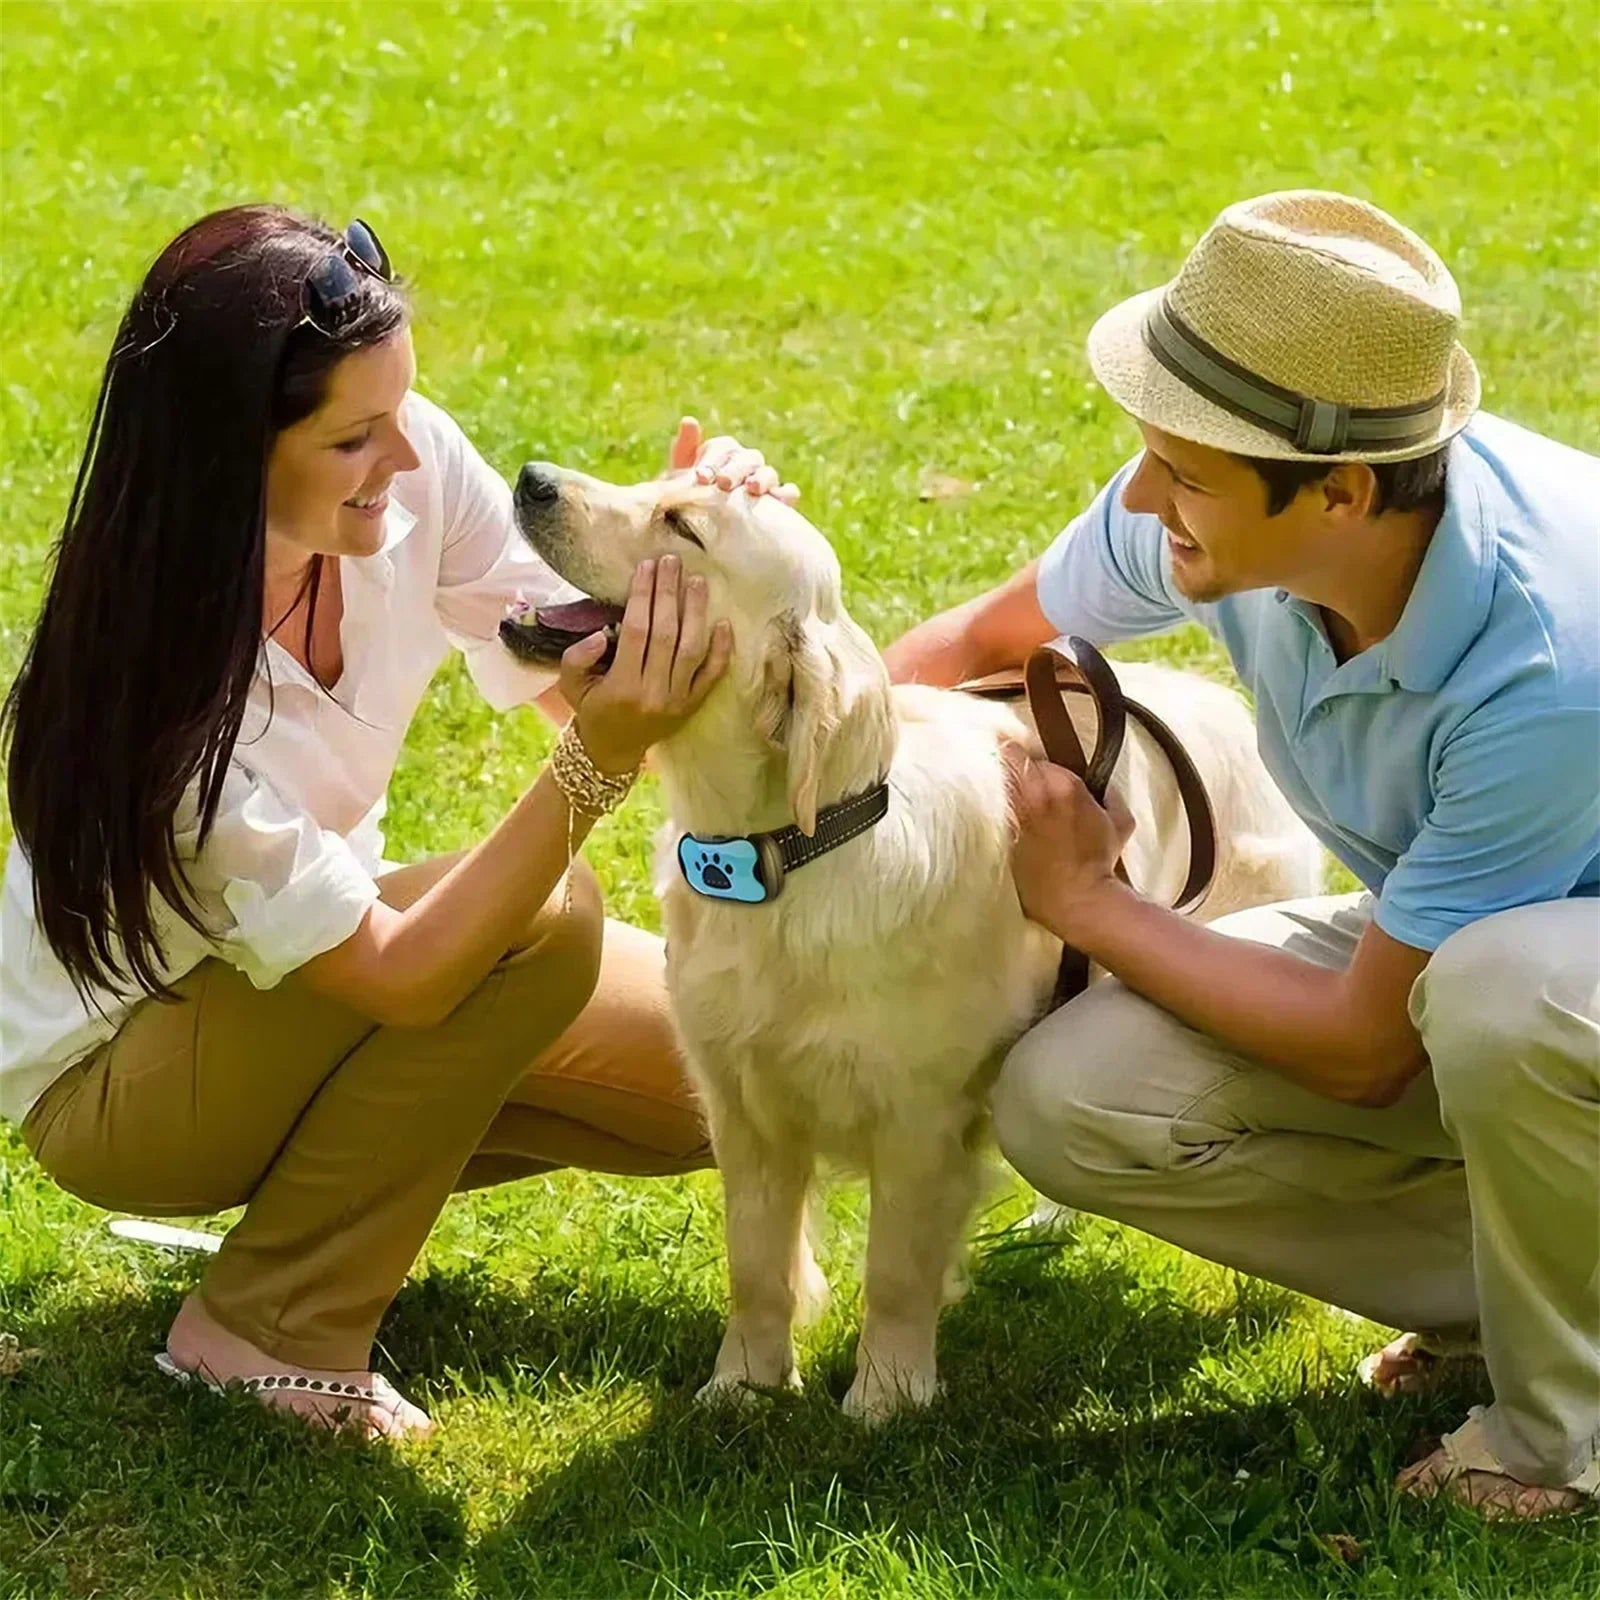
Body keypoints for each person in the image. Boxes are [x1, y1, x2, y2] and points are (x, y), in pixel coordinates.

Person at [0, 204, 790, 1440]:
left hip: (312, 986)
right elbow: (404, 976)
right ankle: (263, 1323)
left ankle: (335, 1203)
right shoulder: (166, 710)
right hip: (121, 1078)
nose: (407, 460)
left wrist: (696, 543)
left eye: (401, 414)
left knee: (730, 1078)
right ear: (230, 455)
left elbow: (564, 656)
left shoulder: (397, 473)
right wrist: (595, 769)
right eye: (355, 437)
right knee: (532, 923)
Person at [885, 191, 1599, 1518]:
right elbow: (972, 646)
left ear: (1339, 491)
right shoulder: (1218, 492)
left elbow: (1360, 1046)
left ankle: (1561, 1437)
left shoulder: (1551, 660)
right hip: (1483, 955)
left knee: (1498, 991)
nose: (1144, 494)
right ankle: (1515, 1297)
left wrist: (1090, 904)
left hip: (1538, 976)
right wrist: (815, 784)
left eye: (1184, 473)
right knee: (1074, 1094)